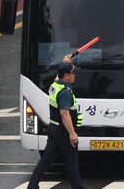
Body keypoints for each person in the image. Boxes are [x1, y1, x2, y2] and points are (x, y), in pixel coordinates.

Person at [28, 57, 85, 189]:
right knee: (72, 162)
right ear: (66, 76)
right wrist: (72, 134)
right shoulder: (65, 92)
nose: (74, 75)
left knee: (46, 159)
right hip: (63, 131)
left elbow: (57, 78)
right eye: (73, 73)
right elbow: (64, 114)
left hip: (53, 128)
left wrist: (66, 63)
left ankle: (32, 186)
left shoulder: (55, 85)